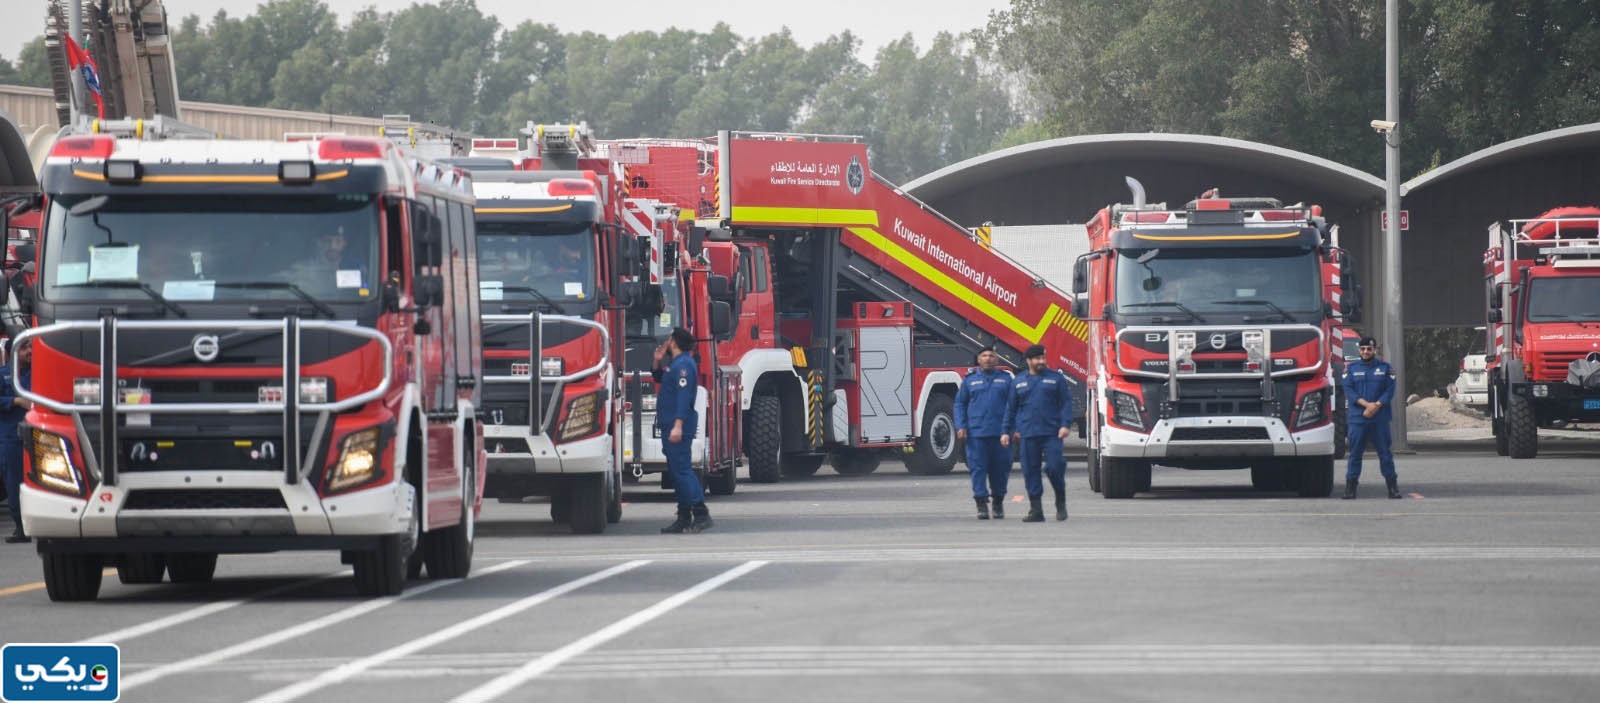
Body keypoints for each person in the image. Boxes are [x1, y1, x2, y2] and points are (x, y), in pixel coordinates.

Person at [1004, 344, 1073, 522]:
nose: (1041, 361)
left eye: (1043, 358)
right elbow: (1011, 409)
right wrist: (1006, 431)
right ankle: (1036, 510)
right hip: (1028, 433)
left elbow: (1066, 403)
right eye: (1037, 359)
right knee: (1030, 471)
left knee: (1055, 467)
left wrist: (1065, 424)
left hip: (1052, 433)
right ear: (1029, 361)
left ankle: (1060, 500)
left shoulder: (1056, 379)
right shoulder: (1018, 381)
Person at [654, 326, 712, 533]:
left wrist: (678, 424)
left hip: (678, 424)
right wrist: (657, 360)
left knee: (683, 470)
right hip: (669, 423)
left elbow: (684, 397)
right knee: (676, 472)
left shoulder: (684, 365)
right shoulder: (675, 364)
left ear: (675, 342)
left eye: (669, 339)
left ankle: (701, 511)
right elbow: (659, 378)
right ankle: (684, 515)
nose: (667, 342)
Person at [955, 346, 1013, 519]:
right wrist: (961, 426)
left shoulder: (1006, 380)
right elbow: (960, 404)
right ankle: (981, 504)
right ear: (978, 359)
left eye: (991, 356)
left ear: (997, 359)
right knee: (978, 469)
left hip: (1000, 434)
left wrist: (1013, 429)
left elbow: (1014, 406)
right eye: (984, 355)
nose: (988, 358)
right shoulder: (970, 381)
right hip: (976, 434)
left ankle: (998, 502)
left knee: (1000, 470)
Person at [1342, 335, 1401, 499]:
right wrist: (1367, 405)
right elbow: (1349, 391)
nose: (1366, 351)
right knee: (1355, 454)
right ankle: (1350, 488)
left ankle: (1392, 487)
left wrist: (1376, 405)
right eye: (1363, 349)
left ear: (1375, 350)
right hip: (1358, 419)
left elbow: (1389, 391)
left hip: (1379, 418)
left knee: (1385, 454)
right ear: (1359, 350)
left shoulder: (1385, 368)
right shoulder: (1351, 369)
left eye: (1369, 348)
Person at [2, 341, 33, 543]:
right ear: (11, 352)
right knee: (13, 482)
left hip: (36, 434)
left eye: (31, 347)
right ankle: (20, 527)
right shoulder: (2, 374)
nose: (29, 351)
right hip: (10, 437)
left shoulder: (40, 373)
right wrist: (15, 401)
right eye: (24, 348)